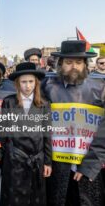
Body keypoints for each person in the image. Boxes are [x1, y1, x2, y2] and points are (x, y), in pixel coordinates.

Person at [42, 40, 105, 206]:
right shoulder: (46, 87)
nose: (74, 67)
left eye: (78, 62)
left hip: (88, 165)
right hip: (56, 167)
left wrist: (90, 165)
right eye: (69, 62)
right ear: (60, 64)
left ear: (85, 64)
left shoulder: (100, 88)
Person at [0, 62, 52, 206]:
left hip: (37, 160)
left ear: (36, 83)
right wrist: (1, 157)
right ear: (17, 83)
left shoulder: (44, 104)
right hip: (14, 159)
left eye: (31, 81)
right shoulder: (8, 102)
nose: (27, 86)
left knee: (35, 198)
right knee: (13, 198)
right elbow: (3, 132)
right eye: (23, 82)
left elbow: (47, 134)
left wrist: (48, 161)